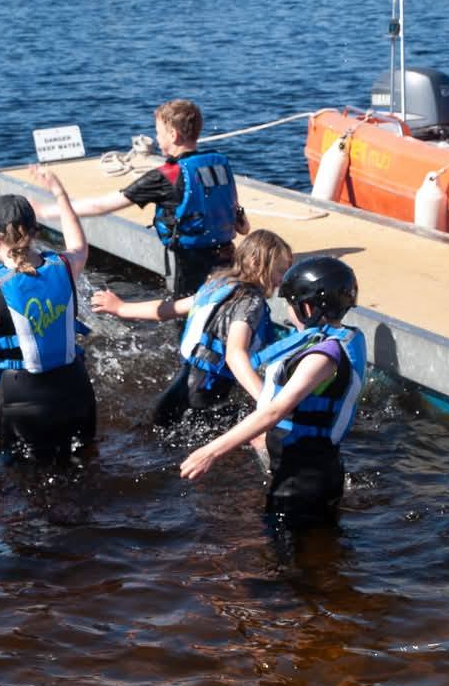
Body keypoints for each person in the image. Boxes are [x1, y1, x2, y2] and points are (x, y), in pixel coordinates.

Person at [180, 256, 367, 527]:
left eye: (290, 304)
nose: (288, 311)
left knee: (282, 558)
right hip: (309, 467)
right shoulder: (343, 338)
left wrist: (211, 451)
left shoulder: (322, 358)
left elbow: (276, 410)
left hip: (303, 480)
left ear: (306, 306)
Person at [31, 99, 249, 300]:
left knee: (187, 317)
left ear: (173, 135)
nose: (156, 139)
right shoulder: (218, 164)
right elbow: (241, 224)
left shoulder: (165, 176)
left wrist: (46, 210)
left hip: (192, 267)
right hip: (226, 260)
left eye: (158, 133)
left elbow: (100, 206)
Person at [0, 166, 96, 464]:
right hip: (77, 392)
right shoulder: (65, 265)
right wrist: (59, 192)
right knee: (84, 471)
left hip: (23, 402)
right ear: (33, 233)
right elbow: (79, 245)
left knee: (25, 489)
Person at [92, 230, 293, 426]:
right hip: (204, 398)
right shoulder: (250, 303)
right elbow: (234, 354)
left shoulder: (217, 286)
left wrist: (121, 307)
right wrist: (268, 402)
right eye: (280, 271)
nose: (283, 280)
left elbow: (169, 309)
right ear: (256, 264)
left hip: (178, 392)